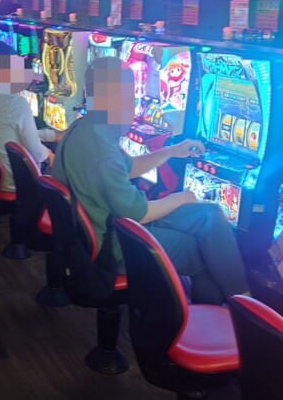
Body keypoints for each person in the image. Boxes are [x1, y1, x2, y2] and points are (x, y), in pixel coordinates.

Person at [51, 56, 249, 305]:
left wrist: (171, 151)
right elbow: (140, 213)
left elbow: (129, 168)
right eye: (131, 98)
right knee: (203, 252)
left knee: (209, 215)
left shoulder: (88, 128)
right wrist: (181, 198)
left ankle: (242, 297)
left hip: (107, 223)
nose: (135, 107)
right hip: (112, 245)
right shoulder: (101, 151)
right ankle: (235, 313)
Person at [0, 42, 52, 193]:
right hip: (15, 181)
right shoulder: (17, 103)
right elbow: (37, 154)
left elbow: (6, 131)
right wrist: (50, 153)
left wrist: (51, 135)